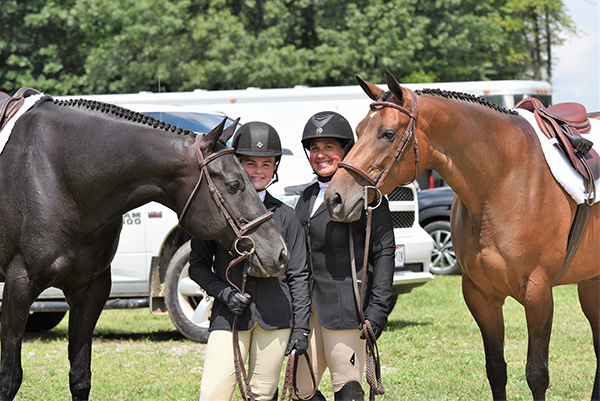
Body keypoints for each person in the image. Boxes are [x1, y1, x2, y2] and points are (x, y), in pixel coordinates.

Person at [189, 121, 311, 401]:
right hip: (228, 317)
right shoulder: (215, 213)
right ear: (236, 165)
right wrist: (224, 293)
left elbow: (299, 276)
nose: (258, 171)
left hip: (276, 319)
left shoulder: (286, 217)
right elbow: (197, 266)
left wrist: (301, 328)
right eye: (250, 163)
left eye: (266, 164)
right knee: (212, 395)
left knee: (262, 395)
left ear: (275, 168)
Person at [293, 112, 396, 401]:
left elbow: (384, 252)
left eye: (329, 147)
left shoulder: (368, 197)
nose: (320, 154)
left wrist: (378, 309)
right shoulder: (306, 196)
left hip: (346, 310)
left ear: (346, 151)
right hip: (307, 311)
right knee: (301, 391)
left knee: (348, 390)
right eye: (314, 148)